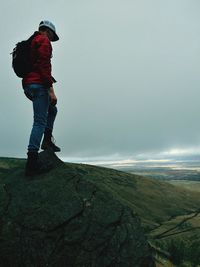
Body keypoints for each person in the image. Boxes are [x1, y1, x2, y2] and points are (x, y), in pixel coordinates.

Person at [22, 20, 61, 176]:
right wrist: (50, 89)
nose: (52, 40)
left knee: (52, 110)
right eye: (52, 36)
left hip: (29, 85)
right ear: (49, 32)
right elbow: (44, 64)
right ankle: (32, 163)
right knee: (39, 121)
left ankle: (47, 141)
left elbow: (34, 65)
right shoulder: (43, 40)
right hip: (38, 84)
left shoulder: (32, 40)